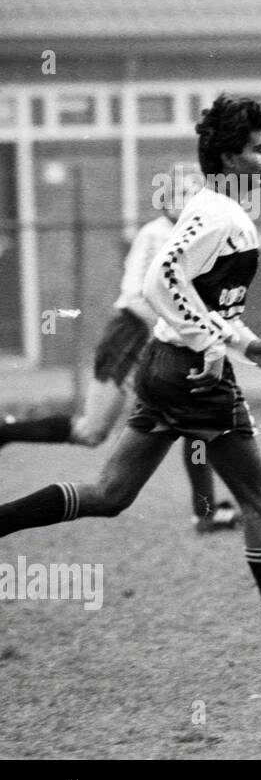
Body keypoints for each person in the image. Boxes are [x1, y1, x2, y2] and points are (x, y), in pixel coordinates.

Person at [0, 94, 261, 668]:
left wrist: (244, 342)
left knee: (110, 495)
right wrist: (213, 344)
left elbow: (201, 299)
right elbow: (162, 282)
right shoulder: (219, 213)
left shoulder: (220, 209)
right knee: (259, 499)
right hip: (191, 375)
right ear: (230, 157)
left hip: (163, 366)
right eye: (260, 149)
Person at [0, 171, 240, 533]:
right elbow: (138, 297)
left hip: (169, 347)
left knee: (196, 423)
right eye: (178, 193)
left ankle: (204, 513)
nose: (188, 201)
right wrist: (190, 327)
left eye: (195, 193)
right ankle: (4, 433)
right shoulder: (153, 234)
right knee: (91, 432)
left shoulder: (198, 240)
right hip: (131, 337)